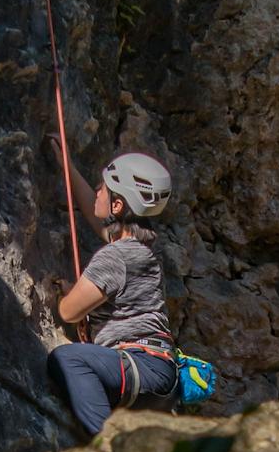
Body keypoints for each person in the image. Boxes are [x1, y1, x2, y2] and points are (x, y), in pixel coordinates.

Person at [43, 141, 178, 435]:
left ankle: (106, 446)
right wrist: (67, 165)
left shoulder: (116, 256)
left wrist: (72, 293)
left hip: (140, 366)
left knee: (69, 359)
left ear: (117, 206)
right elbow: (98, 220)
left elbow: (69, 312)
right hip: (156, 373)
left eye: (103, 188)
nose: (97, 190)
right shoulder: (143, 248)